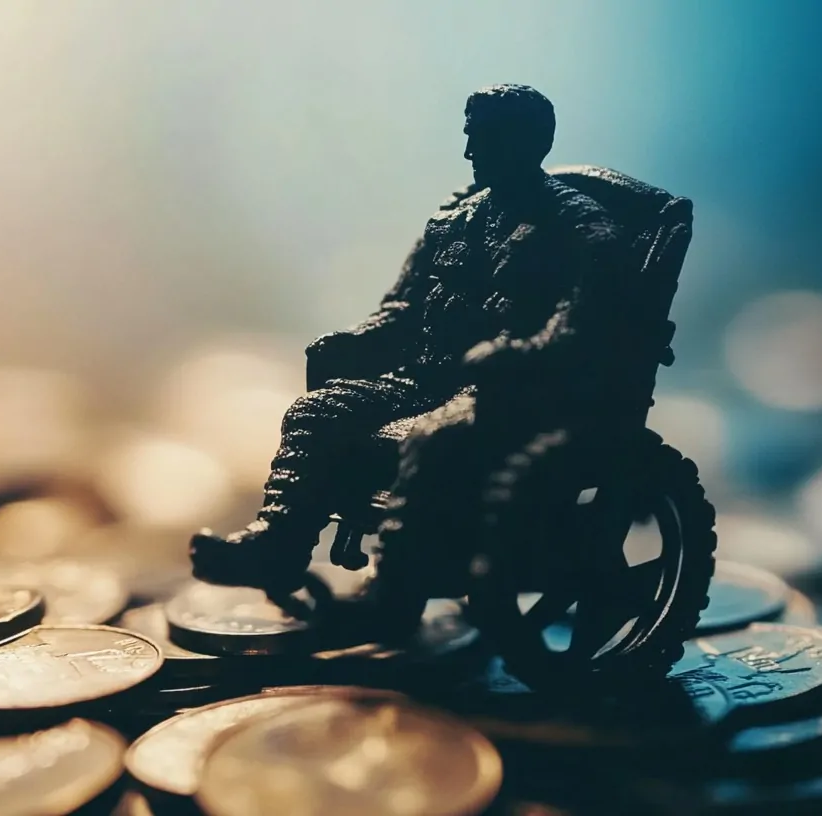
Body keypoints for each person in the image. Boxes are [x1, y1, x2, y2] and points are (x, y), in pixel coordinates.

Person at [189, 84, 629, 619]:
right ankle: (277, 545)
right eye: (471, 137)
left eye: (486, 139)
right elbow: (400, 310)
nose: (471, 154)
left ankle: (394, 590)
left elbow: (588, 321)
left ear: (530, 143)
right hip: (425, 379)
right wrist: (352, 342)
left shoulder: (580, 226)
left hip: (517, 393)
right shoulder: (453, 223)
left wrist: (521, 353)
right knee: (316, 410)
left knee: (433, 438)